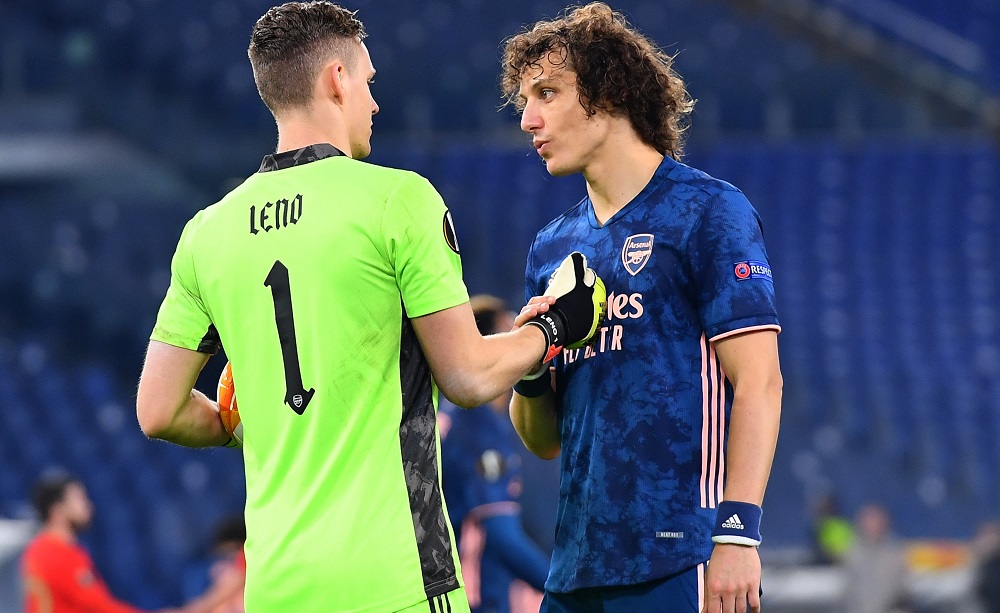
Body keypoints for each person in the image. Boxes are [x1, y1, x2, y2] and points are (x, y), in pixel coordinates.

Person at [134, 3, 604, 612]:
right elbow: (466, 375)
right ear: (336, 79)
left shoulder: (206, 233)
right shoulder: (396, 200)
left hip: (277, 591)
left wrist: (237, 424)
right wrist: (555, 324)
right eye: (369, 82)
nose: (375, 103)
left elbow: (157, 410)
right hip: (398, 583)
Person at [500, 4, 783, 612]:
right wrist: (529, 367)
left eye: (547, 93)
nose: (529, 119)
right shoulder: (554, 247)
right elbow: (543, 441)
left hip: (683, 555)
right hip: (575, 565)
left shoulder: (709, 212)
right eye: (526, 99)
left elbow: (760, 381)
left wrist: (738, 533)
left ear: (608, 95)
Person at [438, 295, 549, 613]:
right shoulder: (477, 424)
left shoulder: (462, 415)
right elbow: (500, 534)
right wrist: (561, 588)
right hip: (475, 601)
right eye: (511, 333)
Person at [20, 474, 175, 613]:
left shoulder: (38, 549)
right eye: (78, 499)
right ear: (58, 511)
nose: (87, 505)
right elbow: (99, 607)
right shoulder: (57, 554)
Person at [842, 504, 910, 613]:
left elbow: (898, 590)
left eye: (875, 521)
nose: (871, 525)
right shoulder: (852, 553)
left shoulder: (896, 552)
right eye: (868, 521)